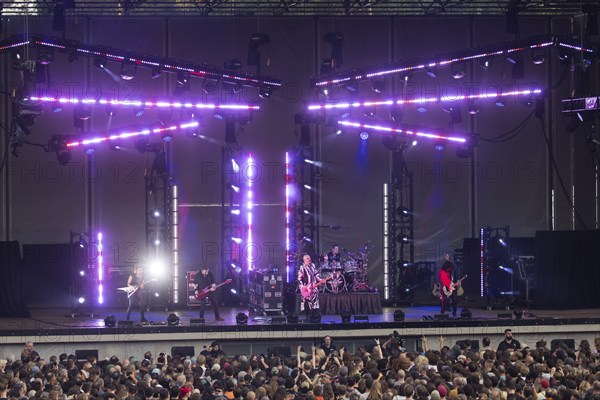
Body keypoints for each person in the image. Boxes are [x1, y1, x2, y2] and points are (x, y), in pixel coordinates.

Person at [438, 253, 459, 318]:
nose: (445, 257)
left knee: (455, 300)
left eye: (447, 256)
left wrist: (457, 282)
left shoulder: (454, 265)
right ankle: (442, 313)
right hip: (446, 285)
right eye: (445, 256)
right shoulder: (444, 265)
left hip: (452, 285)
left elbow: (456, 274)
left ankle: (454, 313)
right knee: (443, 299)